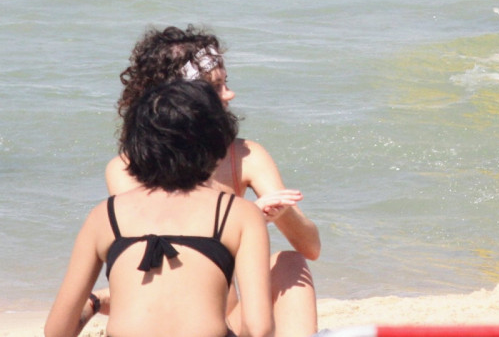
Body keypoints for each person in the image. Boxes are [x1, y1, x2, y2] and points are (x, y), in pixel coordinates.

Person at [101, 26, 319, 337]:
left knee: (290, 263)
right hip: (169, 322)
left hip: (229, 322)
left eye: (226, 83)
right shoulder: (126, 169)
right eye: (216, 87)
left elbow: (311, 247)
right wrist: (245, 219)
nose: (229, 95)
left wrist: (284, 216)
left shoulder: (246, 155)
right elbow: (162, 255)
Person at [46, 79, 273, 337]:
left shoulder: (106, 215)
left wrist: (95, 304)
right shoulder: (237, 213)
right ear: (215, 141)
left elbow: (56, 331)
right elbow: (259, 329)